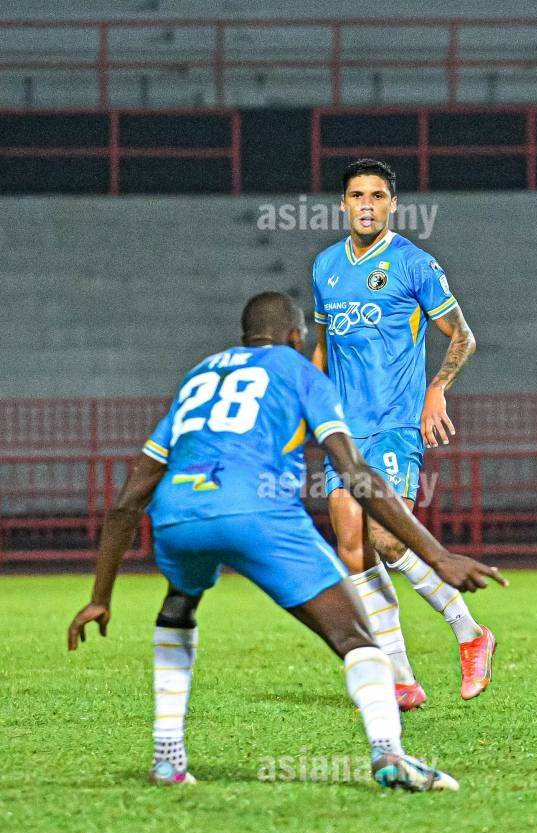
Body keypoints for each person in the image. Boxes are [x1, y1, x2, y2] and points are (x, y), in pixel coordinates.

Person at [66, 292, 506, 791]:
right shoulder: (299, 372)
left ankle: (168, 759)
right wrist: (437, 554)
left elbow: (128, 500)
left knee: (178, 606)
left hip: (178, 514)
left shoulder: (199, 377)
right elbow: (356, 475)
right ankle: (390, 754)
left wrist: (100, 597)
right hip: (258, 513)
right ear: (296, 336)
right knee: (356, 637)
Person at [309, 157, 494, 711]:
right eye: (357, 195)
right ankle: (401, 677)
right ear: (343, 204)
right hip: (345, 433)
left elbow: (462, 336)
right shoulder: (325, 267)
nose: (366, 205)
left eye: (377, 196)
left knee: (389, 538)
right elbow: (323, 347)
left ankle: (469, 632)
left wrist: (437, 388)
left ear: (393, 204)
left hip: (394, 422)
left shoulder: (414, 263)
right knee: (354, 550)